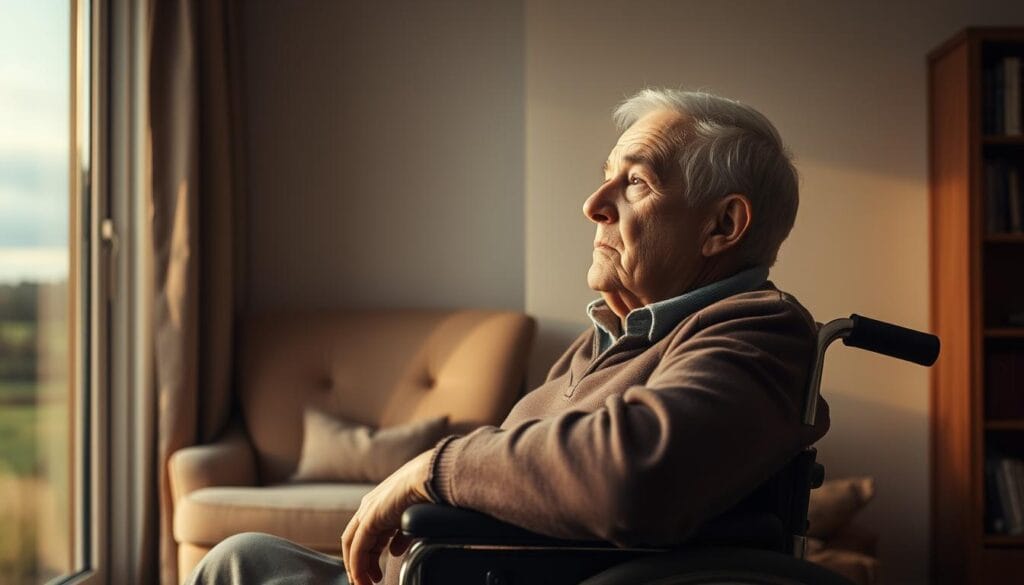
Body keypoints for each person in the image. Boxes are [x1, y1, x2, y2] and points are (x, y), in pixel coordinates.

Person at [186, 88, 830, 585]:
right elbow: (523, 462)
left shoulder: (758, 331)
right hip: (463, 568)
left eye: (635, 181)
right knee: (247, 559)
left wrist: (430, 470)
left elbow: (629, 475)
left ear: (723, 225)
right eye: (607, 173)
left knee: (242, 566)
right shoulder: (602, 345)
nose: (594, 203)